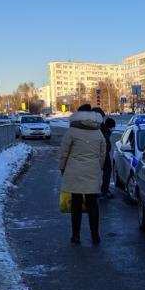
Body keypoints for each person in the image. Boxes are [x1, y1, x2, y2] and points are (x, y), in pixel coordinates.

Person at [59, 104, 108, 244]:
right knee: (93, 204)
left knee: (76, 204)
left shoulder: (72, 132)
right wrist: (98, 168)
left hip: (74, 172)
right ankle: (95, 236)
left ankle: (76, 236)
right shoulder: (98, 132)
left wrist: (62, 168)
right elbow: (102, 155)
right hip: (92, 171)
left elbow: (64, 153)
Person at [93, 107, 115, 197]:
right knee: (105, 171)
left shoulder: (95, 125)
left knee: (98, 172)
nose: (102, 118)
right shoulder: (99, 126)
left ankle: (99, 190)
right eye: (102, 116)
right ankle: (103, 190)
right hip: (102, 153)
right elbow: (104, 140)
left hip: (97, 153)